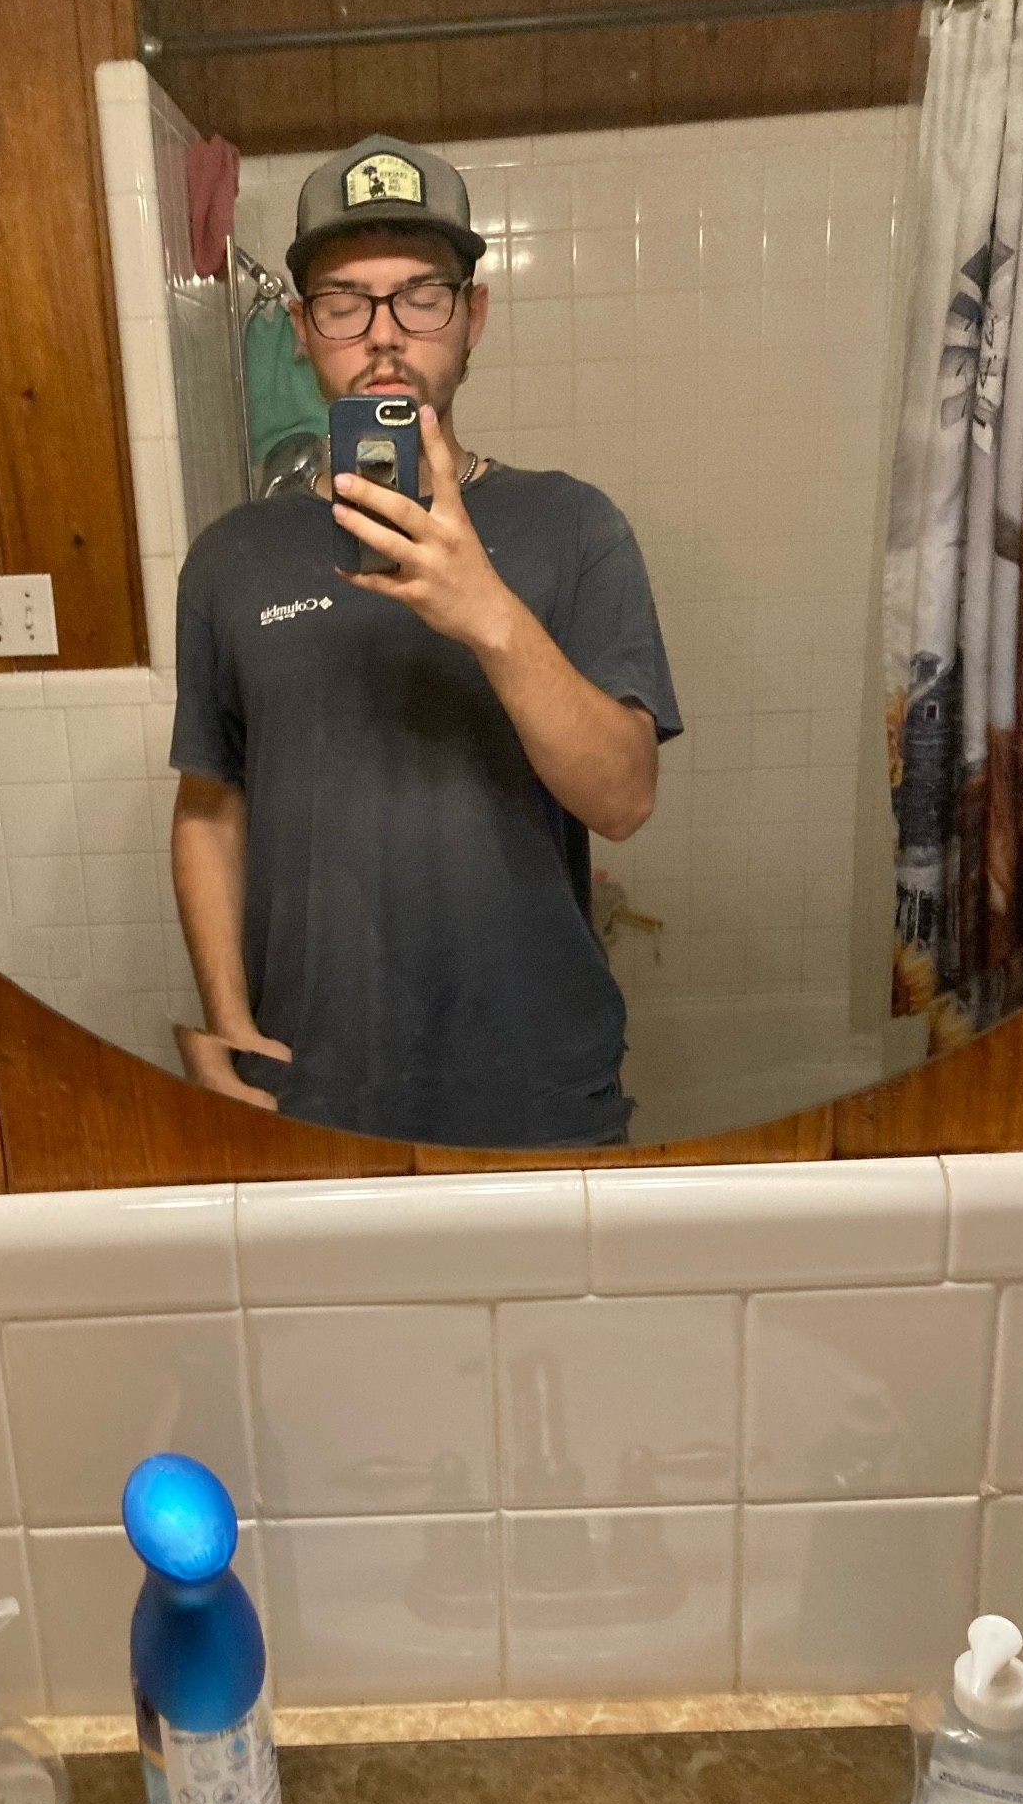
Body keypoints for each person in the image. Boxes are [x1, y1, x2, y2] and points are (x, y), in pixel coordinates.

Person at [169, 133, 682, 1148]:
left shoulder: (575, 526)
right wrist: (227, 1023)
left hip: (538, 1088)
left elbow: (622, 800)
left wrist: (486, 610)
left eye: (421, 297)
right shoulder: (232, 556)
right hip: (311, 1090)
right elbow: (209, 809)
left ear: (472, 315)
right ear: (303, 330)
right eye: (344, 302)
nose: (383, 335)